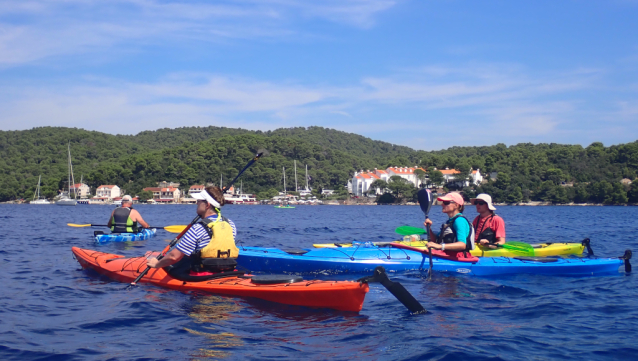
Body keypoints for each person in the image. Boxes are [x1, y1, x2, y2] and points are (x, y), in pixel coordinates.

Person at [146, 186, 238, 274]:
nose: (197, 203)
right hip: (227, 269)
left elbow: (174, 257)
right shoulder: (230, 224)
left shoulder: (198, 228)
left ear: (207, 205)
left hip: (203, 272)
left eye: (199, 201)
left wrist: (156, 264)